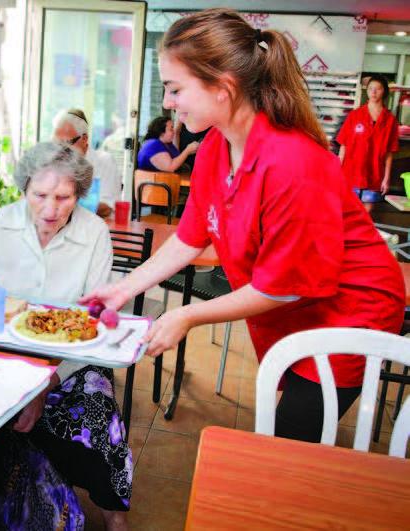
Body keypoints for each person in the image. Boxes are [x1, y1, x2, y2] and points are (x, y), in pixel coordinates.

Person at [81, 9, 405, 444]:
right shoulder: (215, 146)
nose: (167, 103)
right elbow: (190, 238)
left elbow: (284, 286)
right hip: (297, 302)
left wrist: (187, 315)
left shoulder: (292, 161)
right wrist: (124, 288)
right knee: (289, 428)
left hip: (352, 310)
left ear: (224, 87)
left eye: (176, 89)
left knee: (289, 439)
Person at [0, 142, 132, 530]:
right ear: (23, 189)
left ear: (79, 195)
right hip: (0, 357)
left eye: (63, 197)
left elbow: (95, 322)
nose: (49, 210)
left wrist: (45, 383)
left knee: (96, 416)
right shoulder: (2, 222)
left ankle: (114, 515)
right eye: (39, 195)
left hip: (71, 361)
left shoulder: (94, 232)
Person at [53, 109, 123, 219]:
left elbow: (107, 208)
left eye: (67, 142)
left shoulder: (104, 161)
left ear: (84, 138)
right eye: (58, 143)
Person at [337, 74, 400, 194]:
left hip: (375, 174)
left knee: (368, 209)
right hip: (351, 173)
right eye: (370, 88)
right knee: (350, 210)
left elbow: (389, 153)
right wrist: (337, 172)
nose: (374, 92)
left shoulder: (390, 120)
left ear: (384, 92)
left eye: (378, 88)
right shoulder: (354, 115)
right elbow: (343, 146)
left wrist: (386, 179)